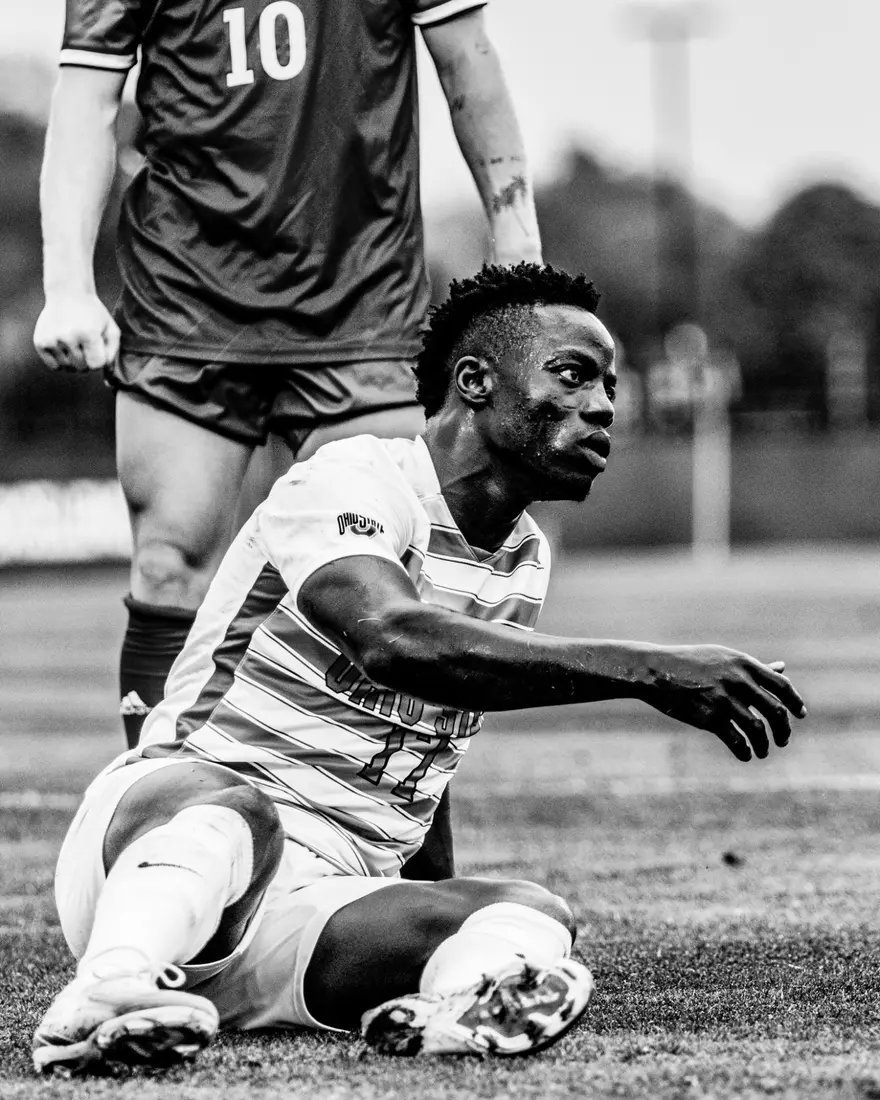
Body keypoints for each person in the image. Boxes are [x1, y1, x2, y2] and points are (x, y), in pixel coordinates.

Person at [32, 264, 806, 1075]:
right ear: (474, 381)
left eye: (609, 386)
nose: (604, 406)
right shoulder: (353, 478)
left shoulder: (521, 557)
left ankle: (455, 1008)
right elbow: (392, 638)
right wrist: (653, 672)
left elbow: (426, 732)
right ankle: (106, 992)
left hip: (306, 916)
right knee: (234, 809)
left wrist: (437, 903)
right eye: (574, 375)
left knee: (531, 914)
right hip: (162, 852)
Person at [33, 0, 542, 879]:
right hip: (183, 297)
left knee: (394, 579)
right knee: (165, 566)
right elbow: (85, 102)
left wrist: (517, 240)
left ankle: (406, 888)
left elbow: (470, 61)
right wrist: (67, 284)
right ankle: (159, 873)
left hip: (363, 301)